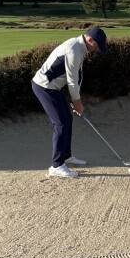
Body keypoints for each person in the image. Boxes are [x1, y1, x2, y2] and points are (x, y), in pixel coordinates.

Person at [31, 26, 108, 178]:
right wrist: (77, 102)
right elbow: (72, 81)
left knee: (67, 119)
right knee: (61, 123)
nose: (97, 49)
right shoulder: (73, 50)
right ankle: (56, 166)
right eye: (97, 45)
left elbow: (76, 77)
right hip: (44, 86)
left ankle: (66, 156)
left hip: (53, 88)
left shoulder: (81, 48)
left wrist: (76, 99)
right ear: (90, 39)